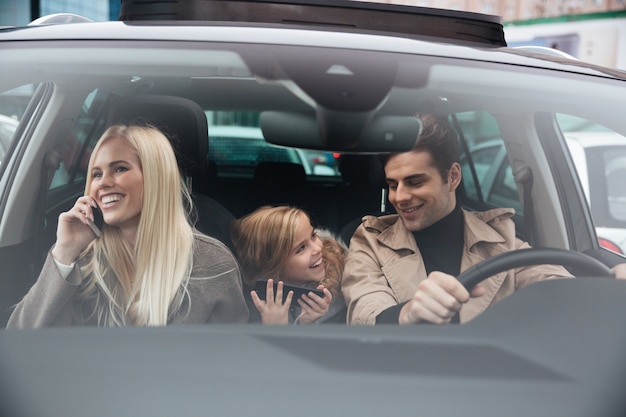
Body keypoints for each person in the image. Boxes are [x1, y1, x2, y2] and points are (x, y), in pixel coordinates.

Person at [341, 113, 576, 325]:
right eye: (392, 185)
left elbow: (559, 289)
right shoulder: (371, 242)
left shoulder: (502, 237)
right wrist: (407, 314)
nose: (399, 197)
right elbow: (365, 311)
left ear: (452, 177)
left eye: (415, 182)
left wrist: (608, 287)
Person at [7, 125, 248, 328]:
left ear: (156, 177)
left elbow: (229, 363)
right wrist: (64, 252)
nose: (103, 183)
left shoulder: (212, 264)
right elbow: (21, 340)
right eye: (97, 174)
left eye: (120, 168)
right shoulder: (83, 262)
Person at [231, 205, 347, 324]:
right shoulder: (253, 304)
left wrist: (307, 324)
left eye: (313, 236)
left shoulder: (340, 277)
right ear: (274, 264)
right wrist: (275, 329)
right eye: (301, 248)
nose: (317, 248)